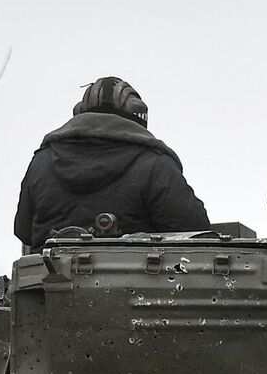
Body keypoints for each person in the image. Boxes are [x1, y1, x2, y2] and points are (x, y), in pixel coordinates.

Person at [14, 77, 209, 249]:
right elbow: (195, 231)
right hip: (136, 287)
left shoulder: (42, 162)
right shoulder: (155, 164)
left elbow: (23, 232)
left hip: (46, 286)